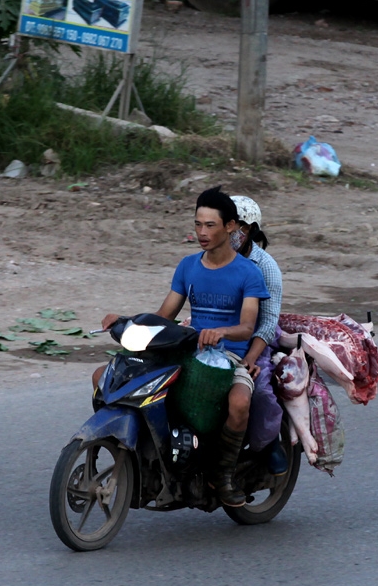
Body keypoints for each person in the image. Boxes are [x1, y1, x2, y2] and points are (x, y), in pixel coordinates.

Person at [96, 186, 270, 508]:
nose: (202, 233)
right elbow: (164, 316)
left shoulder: (249, 273)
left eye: (210, 225)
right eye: (197, 225)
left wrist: (221, 332)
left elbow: (248, 325)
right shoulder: (188, 266)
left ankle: (223, 474)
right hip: (187, 348)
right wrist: (125, 320)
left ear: (231, 226)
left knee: (240, 403)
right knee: (104, 376)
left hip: (228, 356)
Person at [230, 196, 287, 476]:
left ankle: (267, 444)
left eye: (235, 226)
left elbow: (267, 322)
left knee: (260, 388)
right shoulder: (207, 260)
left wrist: (250, 358)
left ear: (249, 229)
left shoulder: (265, 267)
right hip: (218, 334)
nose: (229, 231)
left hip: (256, 337)